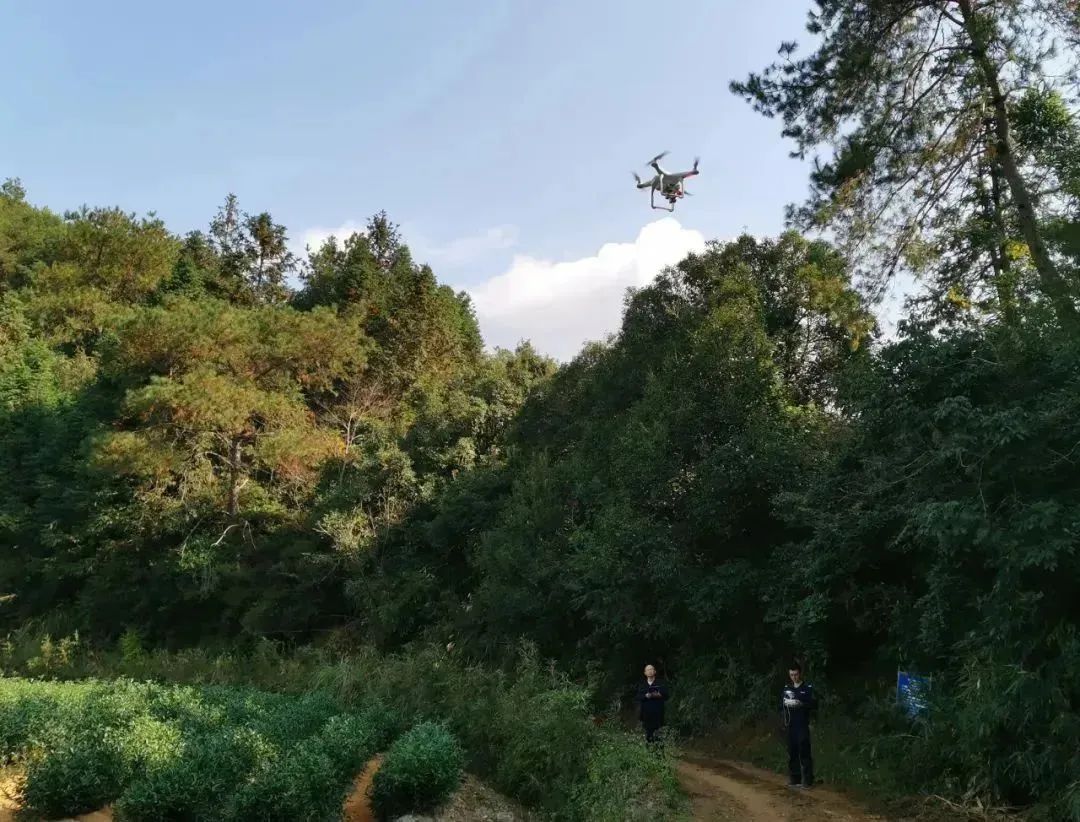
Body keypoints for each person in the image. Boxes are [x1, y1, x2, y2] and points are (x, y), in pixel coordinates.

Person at [781, 659, 816, 788]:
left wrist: (801, 704)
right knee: (792, 752)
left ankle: (807, 780)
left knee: (804, 751)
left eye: (796, 674)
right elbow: (782, 705)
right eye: (791, 675)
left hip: (802, 724)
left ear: (800, 673)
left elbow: (813, 704)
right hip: (791, 725)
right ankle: (795, 779)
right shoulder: (787, 689)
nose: (794, 677)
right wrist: (786, 704)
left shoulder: (807, 688)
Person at [635, 664, 670, 746]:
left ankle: (660, 751)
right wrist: (646, 696)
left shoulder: (661, 683)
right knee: (648, 735)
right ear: (645, 673)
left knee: (659, 735)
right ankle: (649, 751)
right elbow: (638, 697)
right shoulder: (642, 685)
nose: (650, 671)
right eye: (648, 670)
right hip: (646, 714)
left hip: (658, 713)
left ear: (655, 671)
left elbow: (667, 695)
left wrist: (659, 695)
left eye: (651, 669)